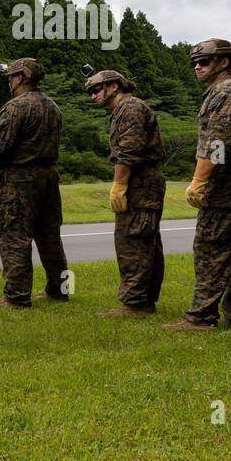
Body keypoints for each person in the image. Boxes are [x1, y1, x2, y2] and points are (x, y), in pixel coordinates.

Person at [164, 38, 231, 331]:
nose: (197, 66)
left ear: (224, 63)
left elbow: (219, 141)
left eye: (204, 61)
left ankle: (200, 317)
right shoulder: (227, 91)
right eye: (194, 62)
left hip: (227, 182)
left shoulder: (225, 91)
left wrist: (199, 180)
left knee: (210, 246)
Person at [0, 58, 70, 308]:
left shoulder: (14, 107)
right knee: (51, 237)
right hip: (49, 177)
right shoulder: (53, 106)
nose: (10, 82)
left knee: (14, 235)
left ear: (20, 78)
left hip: (20, 178)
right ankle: (62, 289)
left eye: (11, 77)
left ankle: (17, 296)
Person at [85, 68, 166, 317]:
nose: (93, 95)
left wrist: (119, 185)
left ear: (114, 87)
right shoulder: (123, 109)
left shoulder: (129, 108)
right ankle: (144, 300)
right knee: (145, 240)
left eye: (97, 89)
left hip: (140, 181)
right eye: (90, 91)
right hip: (143, 180)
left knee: (133, 240)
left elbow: (128, 151)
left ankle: (135, 303)